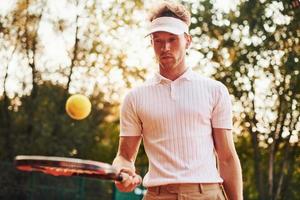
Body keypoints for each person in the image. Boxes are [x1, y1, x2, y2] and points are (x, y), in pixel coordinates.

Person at [112, 1, 243, 199]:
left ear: (188, 41)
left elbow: (226, 158)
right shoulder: (134, 98)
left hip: (206, 194)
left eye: (172, 39)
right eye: (158, 40)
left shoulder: (215, 91)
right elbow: (124, 156)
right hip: (157, 195)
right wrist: (122, 172)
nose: (165, 47)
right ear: (151, 43)